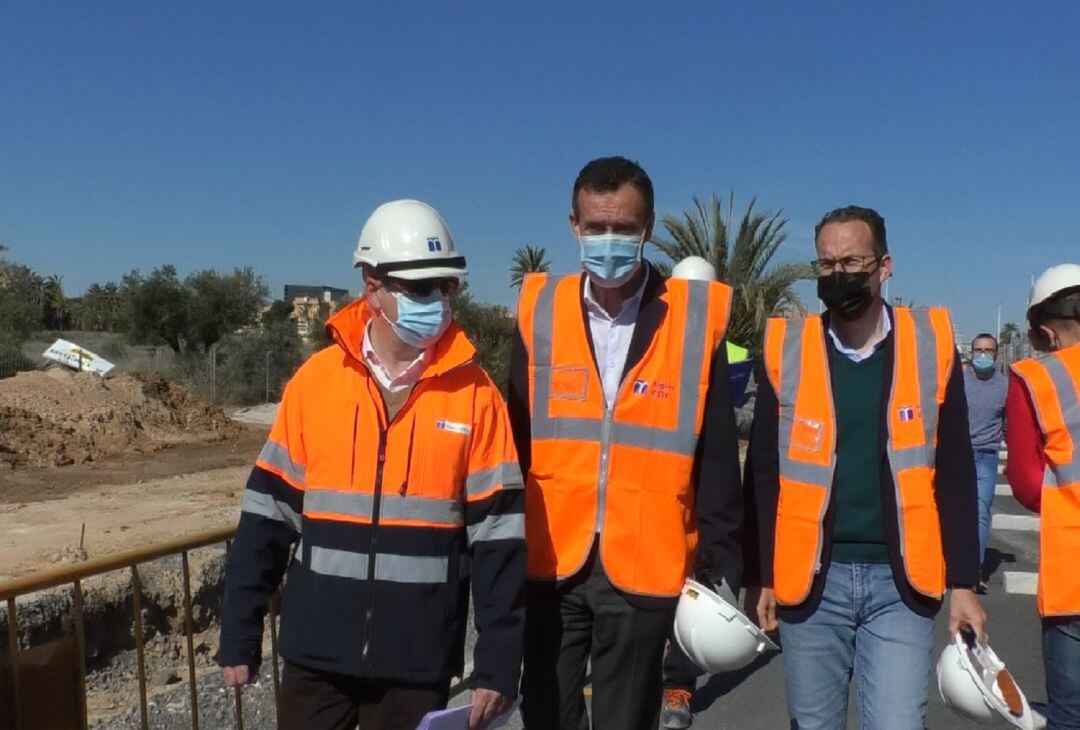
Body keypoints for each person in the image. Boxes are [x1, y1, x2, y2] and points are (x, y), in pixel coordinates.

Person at [217, 200, 526, 730]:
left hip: (418, 663)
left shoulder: (477, 397)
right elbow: (267, 517)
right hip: (316, 658)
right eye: (421, 288)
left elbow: (499, 542)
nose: (440, 300)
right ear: (372, 285)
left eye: (446, 286)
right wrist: (239, 632)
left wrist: (498, 666)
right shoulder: (315, 384)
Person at [509, 157, 744, 730]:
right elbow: (512, 439)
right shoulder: (540, 311)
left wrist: (723, 559)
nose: (608, 240)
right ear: (573, 225)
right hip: (550, 558)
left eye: (623, 229)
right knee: (546, 715)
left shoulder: (692, 319)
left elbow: (716, 455)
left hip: (645, 561)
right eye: (595, 227)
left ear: (649, 227)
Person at [746, 205, 985, 729]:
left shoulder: (930, 345)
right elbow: (764, 473)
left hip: (900, 583)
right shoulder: (788, 348)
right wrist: (760, 574)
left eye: (852, 261)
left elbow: (955, 469)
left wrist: (964, 581)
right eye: (826, 265)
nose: (839, 275)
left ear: (884, 265)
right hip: (812, 581)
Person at [1005, 263, 1080, 730]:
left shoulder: (1036, 377)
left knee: (1070, 717)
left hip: (1073, 580)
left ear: (1046, 332)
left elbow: (1028, 483)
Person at [963, 332, 1008, 590]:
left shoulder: (1004, 386)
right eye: (978, 350)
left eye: (988, 351)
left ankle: (975, 571)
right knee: (952, 513)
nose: (982, 355)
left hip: (986, 457)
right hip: (958, 456)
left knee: (980, 513)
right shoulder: (958, 381)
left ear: (996, 355)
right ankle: (950, 565)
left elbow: (1009, 424)